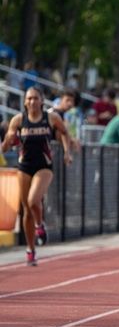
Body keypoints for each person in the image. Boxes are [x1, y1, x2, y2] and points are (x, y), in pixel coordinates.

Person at [0, 86, 72, 266]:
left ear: (41, 101)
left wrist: (67, 152)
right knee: (26, 211)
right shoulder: (18, 120)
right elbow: (7, 144)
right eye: (29, 98)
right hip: (24, 166)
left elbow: (64, 132)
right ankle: (30, 249)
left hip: (44, 166)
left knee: (34, 200)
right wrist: (8, 141)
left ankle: (40, 225)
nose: (32, 102)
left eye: (35, 98)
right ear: (25, 101)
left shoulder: (51, 118)